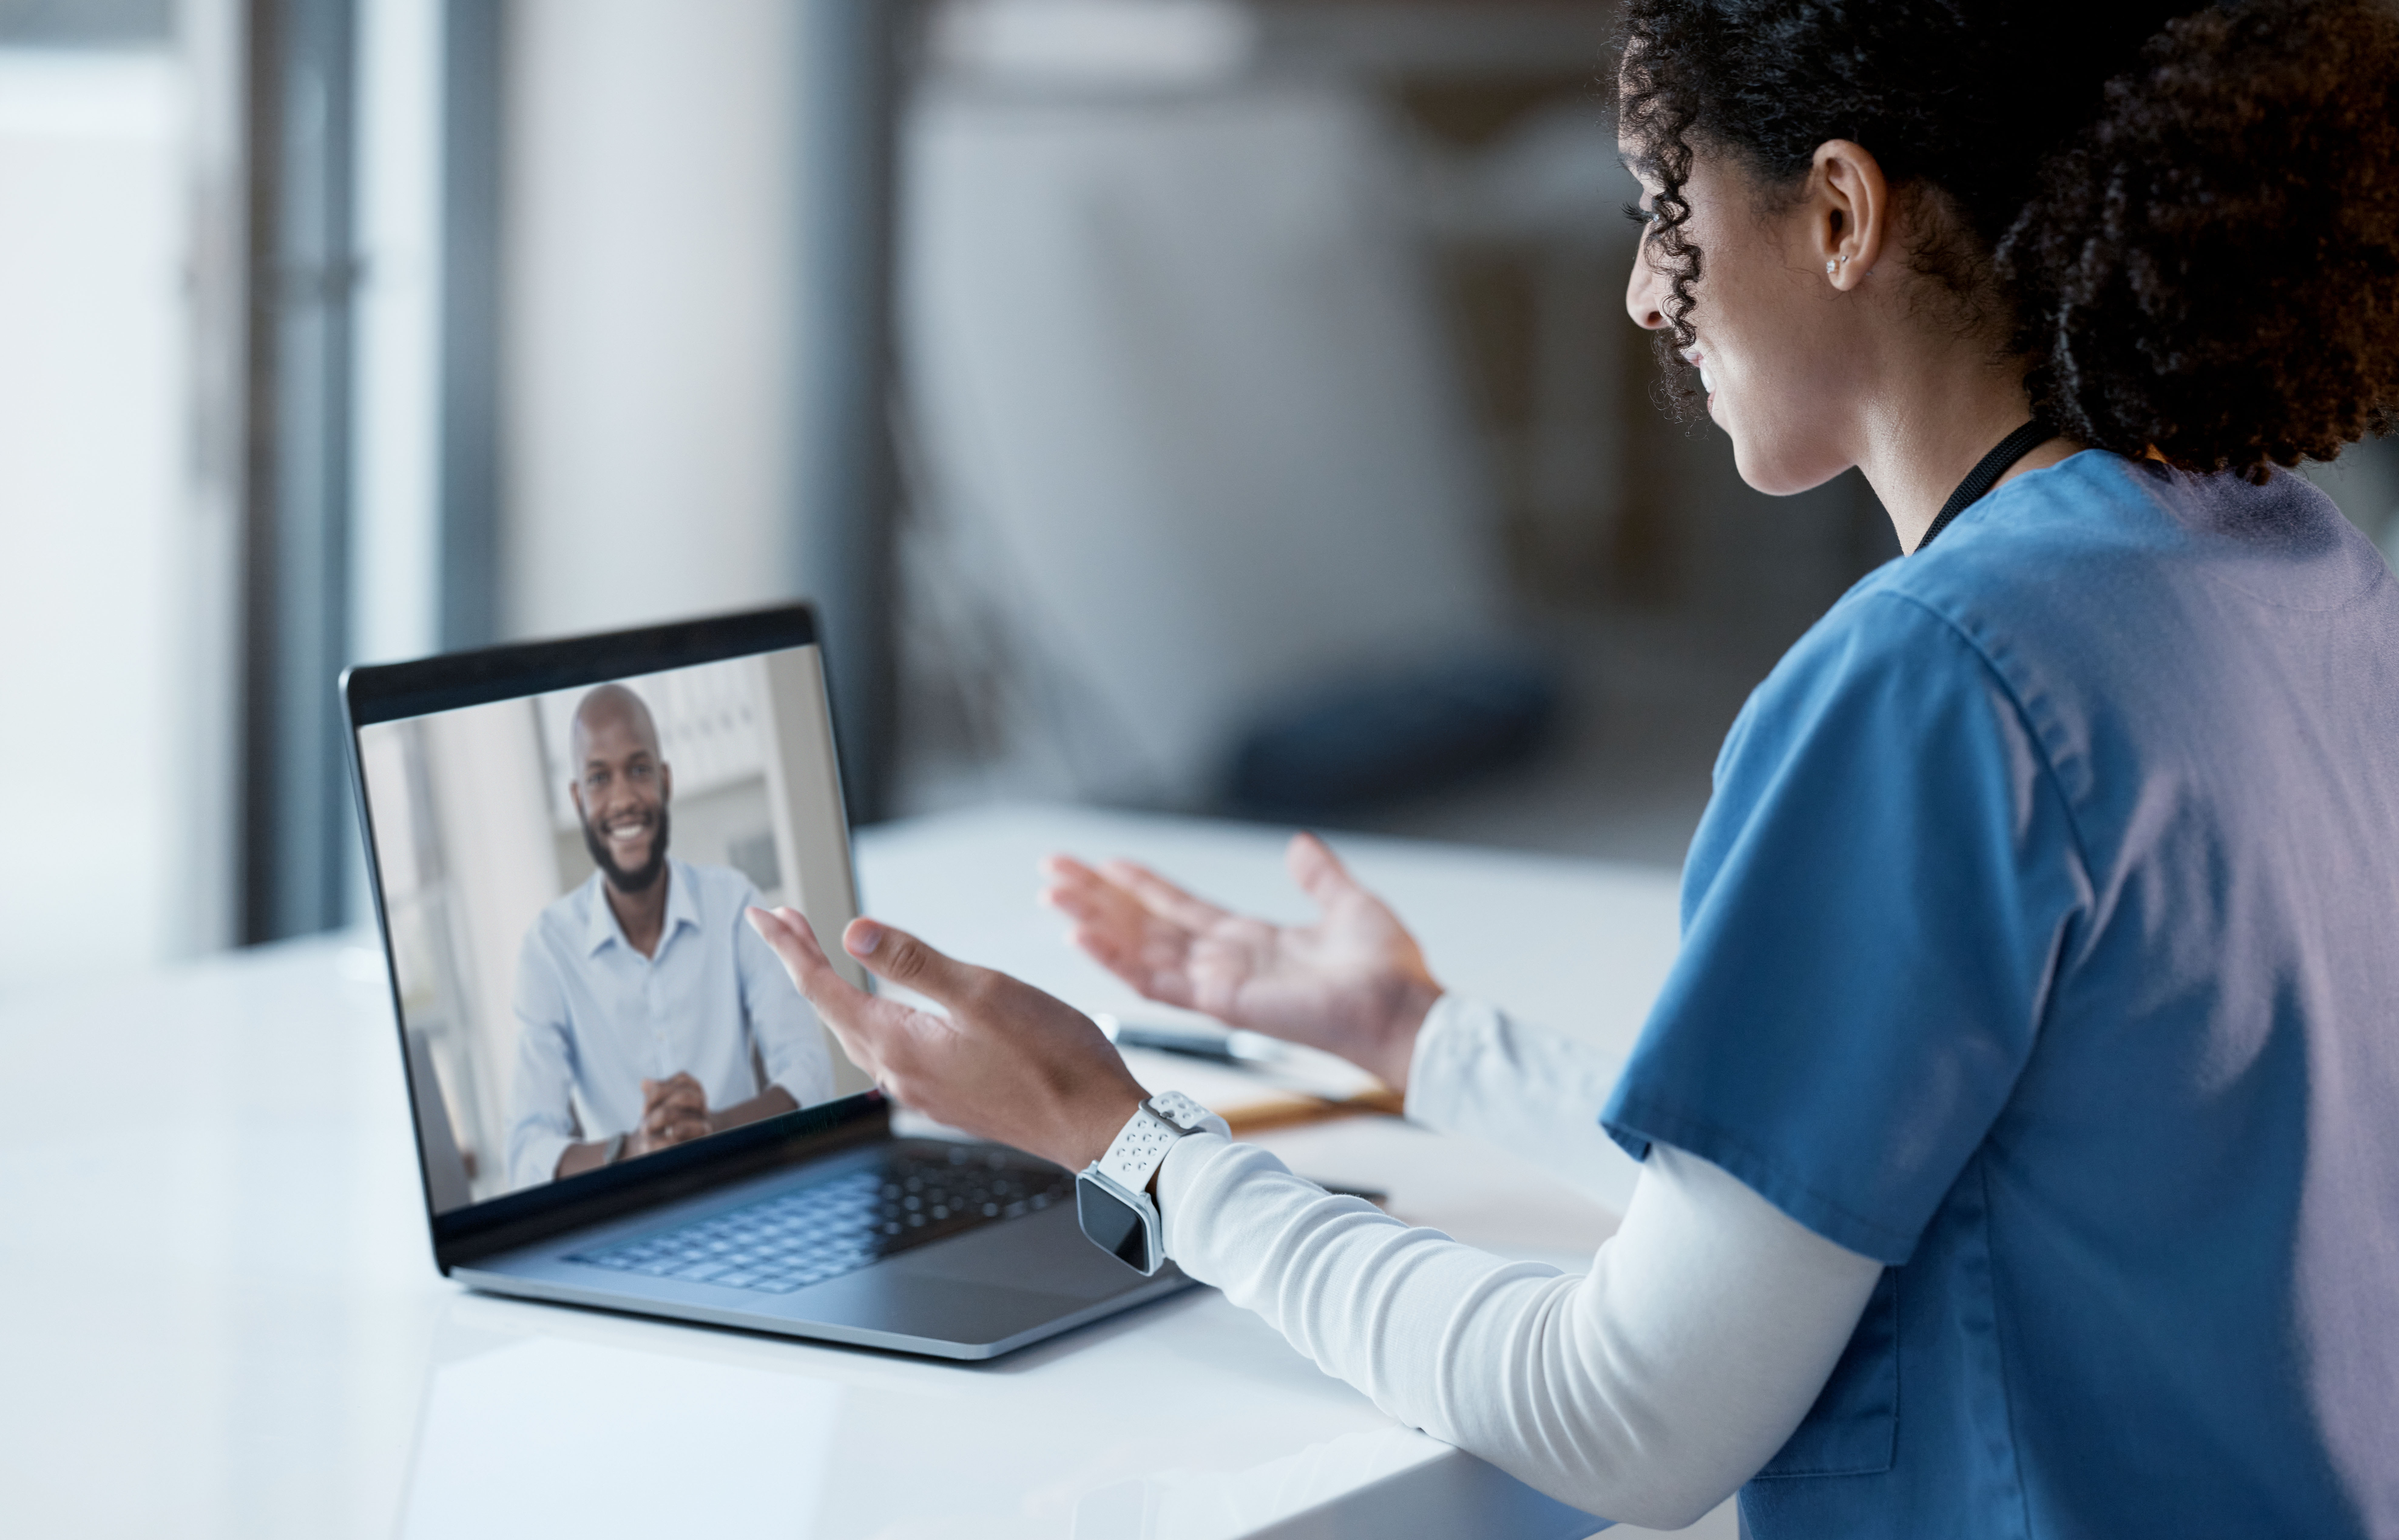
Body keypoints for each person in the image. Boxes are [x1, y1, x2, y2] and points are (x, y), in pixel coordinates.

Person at [748, 1, 2399, 1533]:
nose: (1644, 294)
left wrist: (1125, 1139)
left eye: (1660, 211)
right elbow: (1897, 1175)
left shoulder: (1937, 683)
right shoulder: (2292, 573)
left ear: (1838, 213)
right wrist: (1420, 1039)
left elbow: (1621, 1414)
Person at [507, 683, 833, 1189]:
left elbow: (810, 1072)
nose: (622, 799)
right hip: (626, 1215)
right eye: (599, 778)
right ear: (578, 799)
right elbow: (528, 1151)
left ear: (665, 781)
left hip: (749, 1186)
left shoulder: (733, 904)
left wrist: (715, 1129)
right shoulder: (548, 951)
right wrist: (633, 1150)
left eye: (639, 770)